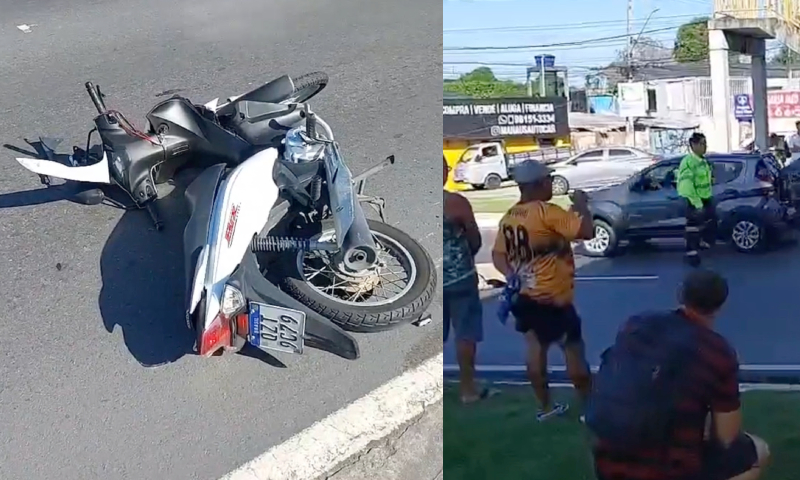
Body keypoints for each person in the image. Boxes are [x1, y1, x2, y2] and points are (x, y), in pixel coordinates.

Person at [591, 269, 771, 480]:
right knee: (759, 452)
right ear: (720, 306)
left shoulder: (636, 324)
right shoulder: (717, 352)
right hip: (669, 467)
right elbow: (726, 437)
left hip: (608, 462)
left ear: (680, 294)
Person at [491, 160, 594, 421]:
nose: (551, 184)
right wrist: (582, 204)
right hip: (554, 298)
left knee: (535, 349)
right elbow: (587, 231)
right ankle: (589, 409)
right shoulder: (546, 211)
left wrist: (511, 274)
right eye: (548, 180)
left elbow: (498, 254)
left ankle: (545, 407)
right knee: (573, 350)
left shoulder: (510, 216)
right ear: (537, 184)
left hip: (526, 297)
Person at [443, 157, 492, 403]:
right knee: (466, 333)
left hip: (431, 281)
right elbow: (475, 239)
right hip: (460, 277)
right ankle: (467, 389)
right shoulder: (455, 203)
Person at [677, 133, 716, 267]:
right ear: (693, 145)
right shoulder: (689, 162)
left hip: (705, 198)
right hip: (694, 201)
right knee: (692, 228)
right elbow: (686, 186)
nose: (704, 147)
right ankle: (691, 254)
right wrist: (697, 203)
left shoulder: (703, 161)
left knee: (706, 224)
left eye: (705, 143)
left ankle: (701, 244)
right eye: (702, 144)